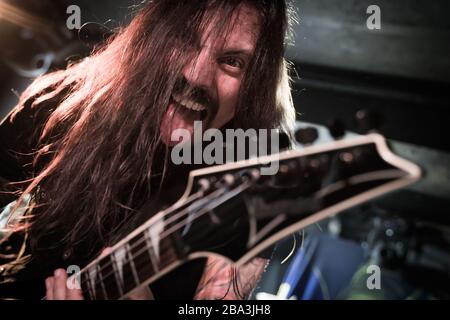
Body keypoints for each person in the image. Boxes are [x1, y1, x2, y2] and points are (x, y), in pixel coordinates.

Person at [0, 0, 296, 300]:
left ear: (255, 85)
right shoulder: (63, 105)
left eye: (232, 61)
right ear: (150, 39)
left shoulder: (256, 172)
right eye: (184, 40)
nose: (197, 76)